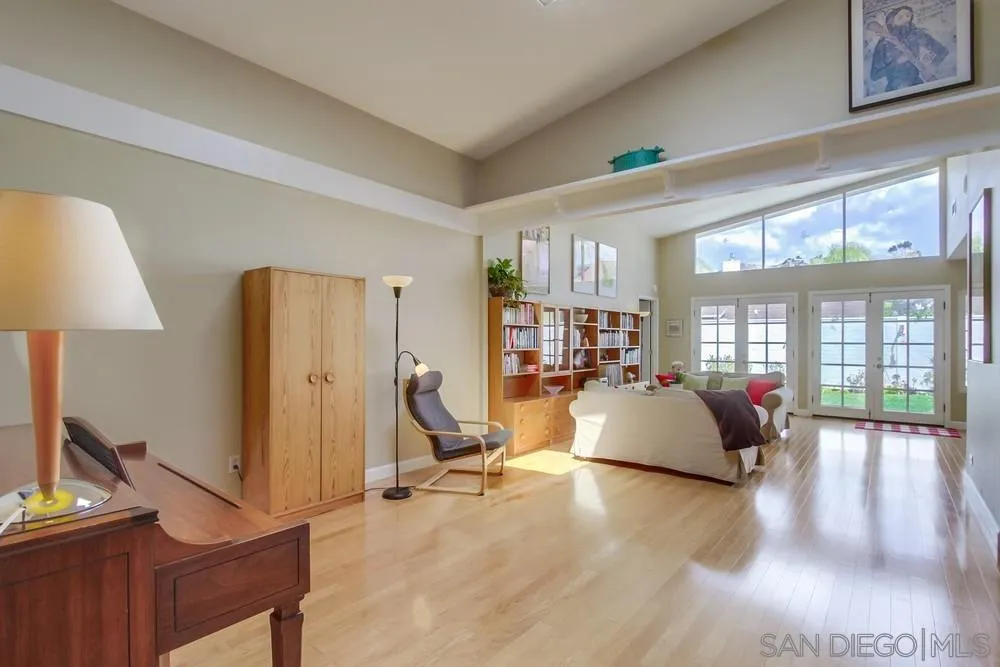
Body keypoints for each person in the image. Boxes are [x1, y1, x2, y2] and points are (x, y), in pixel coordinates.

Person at [869, 5, 949, 92]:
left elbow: (941, 51)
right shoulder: (883, 44)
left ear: (910, 20)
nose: (904, 17)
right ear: (893, 17)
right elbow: (874, 75)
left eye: (907, 15)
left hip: (918, 84)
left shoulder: (915, 34)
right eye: (900, 15)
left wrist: (930, 67)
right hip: (896, 90)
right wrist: (897, 62)